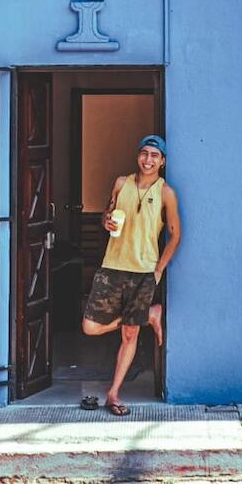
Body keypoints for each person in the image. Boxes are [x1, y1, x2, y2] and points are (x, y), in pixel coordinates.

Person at [80, 134, 181, 416]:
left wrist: (158, 269)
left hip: (143, 271)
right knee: (90, 326)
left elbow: (175, 235)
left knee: (129, 334)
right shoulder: (121, 183)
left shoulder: (166, 193)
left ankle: (113, 394)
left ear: (162, 162)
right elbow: (106, 214)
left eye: (155, 156)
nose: (148, 160)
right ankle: (151, 315)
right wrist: (105, 220)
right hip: (112, 266)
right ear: (138, 155)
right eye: (144, 153)